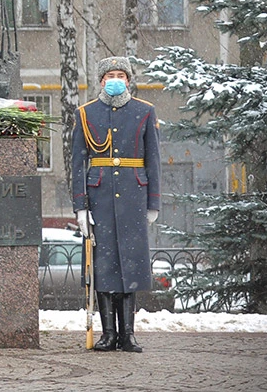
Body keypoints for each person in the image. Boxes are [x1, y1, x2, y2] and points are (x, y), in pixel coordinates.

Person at [72, 56, 161, 353]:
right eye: (110, 74)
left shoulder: (145, 112)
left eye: (121, 74)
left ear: (129, 80)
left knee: (131, 267)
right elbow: (77, 163)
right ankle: (108, 334)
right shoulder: (86, 114)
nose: (115, 79)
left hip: (134, 197)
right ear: (100, 80)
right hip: (100, 198)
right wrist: (80, 206)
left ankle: (128, 334)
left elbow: (154, 161)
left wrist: (154, 202)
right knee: (105, 266)